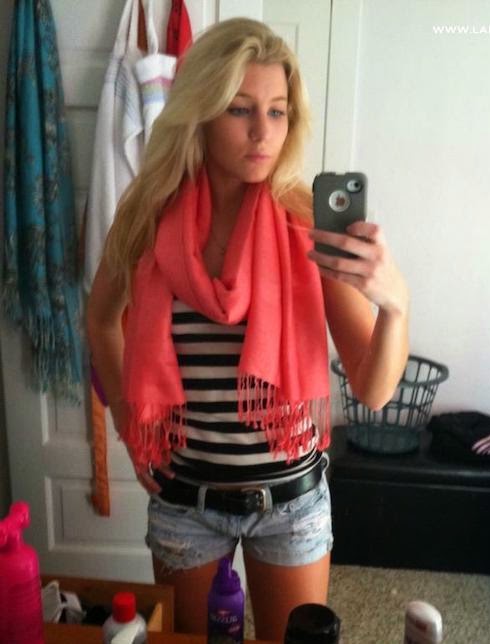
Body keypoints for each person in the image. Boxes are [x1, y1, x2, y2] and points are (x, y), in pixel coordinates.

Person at [86, 17, 409, 641]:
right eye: (240, 109)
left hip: (291, 504)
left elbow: (373, 390)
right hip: (185, 503)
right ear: (201, 112)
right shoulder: (148, 216)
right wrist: (131, 427)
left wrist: (395, 303)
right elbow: (100, 320)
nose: (264, 132)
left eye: (277, 111)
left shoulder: (307, 223)